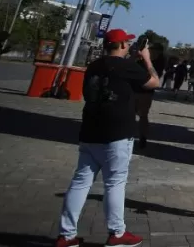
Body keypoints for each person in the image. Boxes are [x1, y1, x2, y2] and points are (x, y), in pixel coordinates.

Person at [55, 29, 160, 247]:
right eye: (127, 43)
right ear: (122, 44)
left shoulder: (94, 66)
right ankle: (117, 233)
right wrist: (147, 60)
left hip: (90, 131)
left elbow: (111, 75)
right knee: (114, 183)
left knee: (80, 182)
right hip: (117, 133)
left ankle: (66, 235)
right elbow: (154, 82)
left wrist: (133, 59)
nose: (129, 46)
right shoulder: (127, 67)